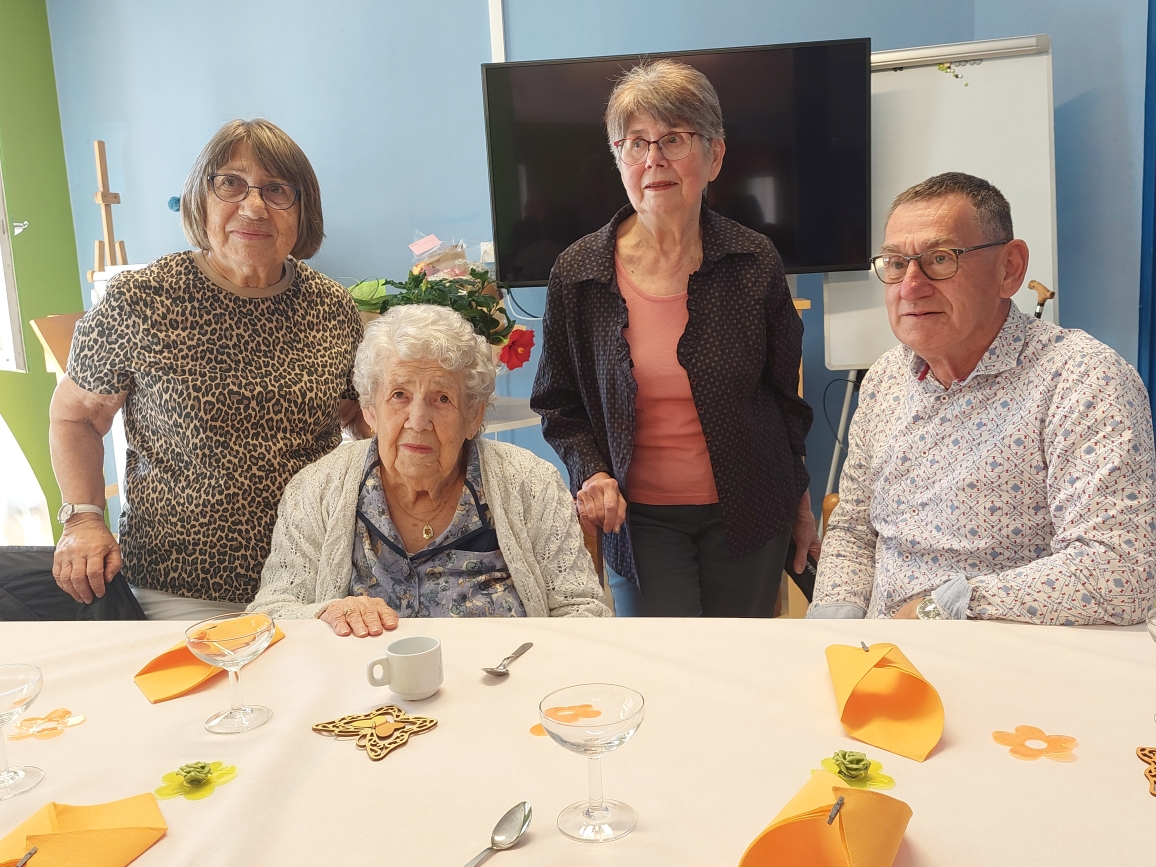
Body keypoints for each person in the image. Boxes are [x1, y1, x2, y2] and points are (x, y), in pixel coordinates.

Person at [530, 59, 817, 617]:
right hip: (641, 520)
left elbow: (787, 400)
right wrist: (591, 470)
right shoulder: (580, 271)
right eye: (635, 143)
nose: (653, 159)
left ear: (715, 155)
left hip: (752, 509)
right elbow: (558, 403)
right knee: (664, 659)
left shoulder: (753, 260)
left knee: (740, 656)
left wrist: (801, 502)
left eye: (674, 139)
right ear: (618, 158)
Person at [49, 119, 365, 620]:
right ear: (201, 200)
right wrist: (83, 518)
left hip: (314, 576)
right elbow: (76, 417)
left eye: (277, 190)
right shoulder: (142, 300)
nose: (254, 207)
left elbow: (358, 415)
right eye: (231, 183)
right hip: (182, 586)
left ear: (303, 212)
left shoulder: (332, 306)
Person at [809, 172, 1156, 624]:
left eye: (940, 259)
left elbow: (1121, 572)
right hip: (881, 651)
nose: (910, 286)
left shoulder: (1082, 378)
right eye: (895, 263)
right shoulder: (885, 379)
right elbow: (855, 529)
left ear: (1009, 268)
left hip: (1010, 652)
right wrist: (830, 628)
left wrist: (940, 610)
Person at [249, 304, 611, 635]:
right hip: (363, 685)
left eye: (441, 399)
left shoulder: (531, 483)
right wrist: (325, 611)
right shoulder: (317, 488)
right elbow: (270, 613)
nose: (418, 420)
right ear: (370, 409)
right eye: (399, 395)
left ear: (473, 415)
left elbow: (583, 610)